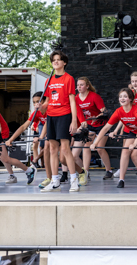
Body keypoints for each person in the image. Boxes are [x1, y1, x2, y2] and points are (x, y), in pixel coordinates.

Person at [38, 51, 80, 192]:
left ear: (64, 63)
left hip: (64, 115)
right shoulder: (49, 79)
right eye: (53, 60)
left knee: (65, 148)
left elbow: (72, 101)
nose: (55, 62)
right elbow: (48, 101)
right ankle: (55, 181)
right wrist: (41, 106)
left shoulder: (68, 78)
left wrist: (74, 121)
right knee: (52, 148)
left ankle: (74, 180)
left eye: (58, 60)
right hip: (51, 115)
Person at [91, 88, 137, 188]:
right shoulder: (119, 111)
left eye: (125, 97)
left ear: (130, 99)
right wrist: (95, 143)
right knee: (125, 152)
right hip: (133, 132)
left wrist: (134, 144)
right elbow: (106, 128)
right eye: (120, 97)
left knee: (134, 155)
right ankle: (121, 179)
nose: (122, 99)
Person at [7, 92, 50, 187]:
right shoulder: (36, 113)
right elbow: (23, 127)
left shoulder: (50, 110)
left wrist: (42, 136)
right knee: (46, 149)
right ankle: (49, 177)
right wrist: (11, 139)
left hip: (58, 130)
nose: (35, 104)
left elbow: (49, 125)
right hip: (46, 132)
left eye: (38, 101)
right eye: (34, 102)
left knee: (61, 156)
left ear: (45, 102)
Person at [74, 77, 108, 182]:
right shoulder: (76, 98)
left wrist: (96, 117)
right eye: (78, 85)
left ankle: (109, 170)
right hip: (89, 126)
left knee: (99, 148)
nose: (79, 87)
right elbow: (78, 114)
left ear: (87, 86)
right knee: (86, 146)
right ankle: (85, 172)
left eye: (82, 85)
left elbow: (105, 112)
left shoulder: (94, 96)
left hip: (101, 125)